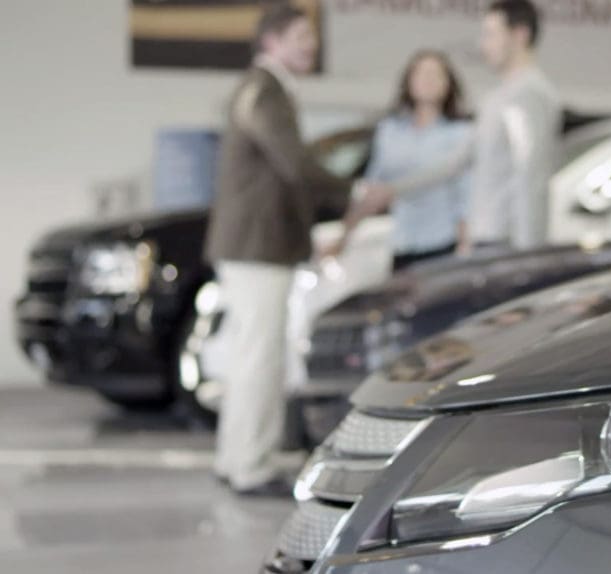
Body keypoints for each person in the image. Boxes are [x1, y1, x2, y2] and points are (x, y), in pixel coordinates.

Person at [204, 4, 350, 497]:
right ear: (271, 42)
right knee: (258, 356)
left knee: (253, 353)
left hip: (254, 245)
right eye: (299, 37)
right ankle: (250, 465)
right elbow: (296, 166)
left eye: (312, 37)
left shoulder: (262, 89)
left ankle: (239, 455)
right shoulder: (264, 92)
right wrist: (353, 191)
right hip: (257, 246)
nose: (310, 45)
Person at [344, 0, 563, 253]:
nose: (483, 45)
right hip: (488, 237)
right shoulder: (497, 98)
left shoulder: (529, 94)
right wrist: (393, 190)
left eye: (491, 34)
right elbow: (457, 162)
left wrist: (528, 253)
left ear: (520, 35)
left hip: (507, 242)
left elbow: (531, 175)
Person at [357, 50, 474, 271]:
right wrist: (344, 235)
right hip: (402, 244)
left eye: (436, 74)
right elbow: (371, 190)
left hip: (442, 245)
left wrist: (466, 245)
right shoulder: (390, 131)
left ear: (448, 84)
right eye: (421, 73)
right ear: (408, 81)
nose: (428, 80)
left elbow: (465, 196)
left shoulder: (461, 134)